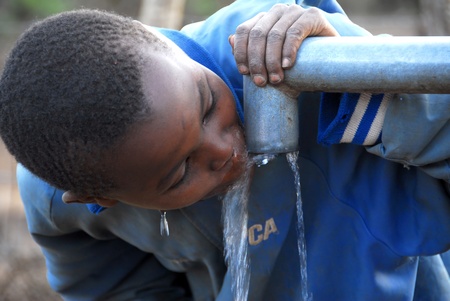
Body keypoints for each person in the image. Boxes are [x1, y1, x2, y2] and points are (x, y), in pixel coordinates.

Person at [1, 0, 449, 300]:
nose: (224, 147)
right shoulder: (59, 197)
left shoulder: (291, 56)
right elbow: (116, 289)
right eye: (180, 173)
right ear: (100, 198)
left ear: (164, 44)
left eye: (207, 103)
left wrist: (356, 78)